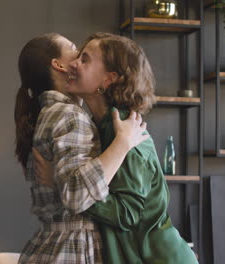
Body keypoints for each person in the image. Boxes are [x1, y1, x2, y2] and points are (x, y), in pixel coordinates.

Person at [35, 32, 198, 263]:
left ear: (107, 80)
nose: (73, 64)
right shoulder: (101, 128)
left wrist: (63, 185)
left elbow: (127, 213)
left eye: (84, 59)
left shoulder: (124, 130)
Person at [14, 33, 148, 264]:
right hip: (73, 249)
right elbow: (76, 195)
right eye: (75, 50)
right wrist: (122, 143)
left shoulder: (50, 113)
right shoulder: (69, 115)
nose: (78, 58)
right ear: (59, 65)